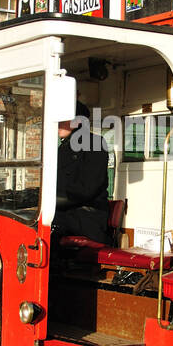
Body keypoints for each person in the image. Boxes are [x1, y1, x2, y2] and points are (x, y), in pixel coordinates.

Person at [52, 102, 109, 244]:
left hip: (87, 216)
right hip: (66, 213)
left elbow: (87, 189)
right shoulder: (62, 148)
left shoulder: (96, 143)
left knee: (47, 226)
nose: (57, 124)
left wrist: (53, 201)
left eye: (62, 120)